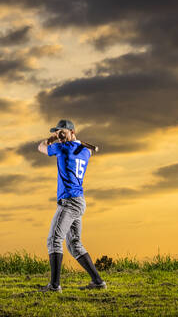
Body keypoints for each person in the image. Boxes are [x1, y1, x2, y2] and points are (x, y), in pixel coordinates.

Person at [36, 119, 106, 292]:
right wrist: (68, 138)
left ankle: (54, 286)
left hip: (69, 201)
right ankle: (98, 282)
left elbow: (40, 147)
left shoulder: (62, 148)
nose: (59, 135)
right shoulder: (85, 151)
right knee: (74, 244)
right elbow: (89, 149)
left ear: (73, 132)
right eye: (57, 132)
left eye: (62, 132)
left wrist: (51, 139)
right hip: (79, 201)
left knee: (54, 240)